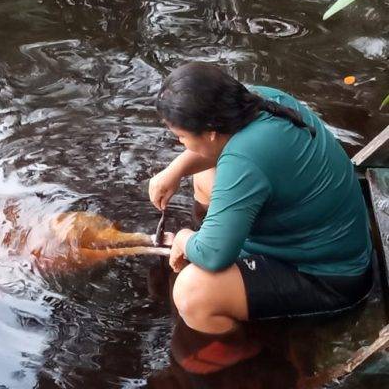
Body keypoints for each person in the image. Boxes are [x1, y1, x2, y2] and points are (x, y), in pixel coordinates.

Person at [148, 62, 373, 369]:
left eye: (181, 136)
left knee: (192, 293)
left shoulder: (244, 159)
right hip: (322, 241)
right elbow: (218, 154)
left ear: (210, 131)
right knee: (205, 176)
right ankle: (219, 250)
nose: (179, 143)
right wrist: (173, 171)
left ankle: (254, 357)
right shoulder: (258, 100)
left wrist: (187, 240)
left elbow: (214, 256)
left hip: (329, 277)